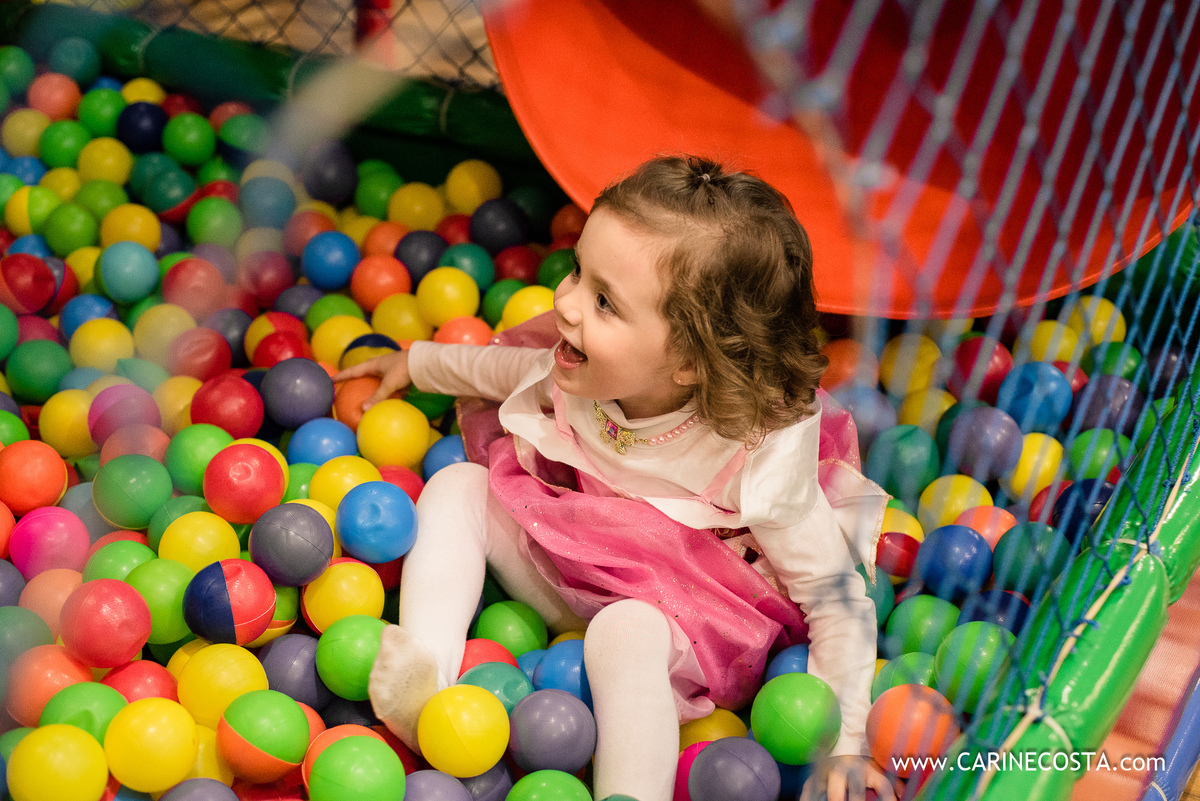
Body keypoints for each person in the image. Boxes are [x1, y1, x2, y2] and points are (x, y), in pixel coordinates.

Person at [335, 155, 895, 801]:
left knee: (624, 628)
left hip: (679, 618)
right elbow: (506, 371)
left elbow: (834, 598)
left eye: (605, 300)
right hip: (566, 564)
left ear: (689, 360)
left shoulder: (756, 454)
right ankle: (425, 685)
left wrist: (845, 744)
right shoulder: (588, 365)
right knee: (459, 484)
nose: (567, 302)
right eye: (577, 270)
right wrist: (418, 362)